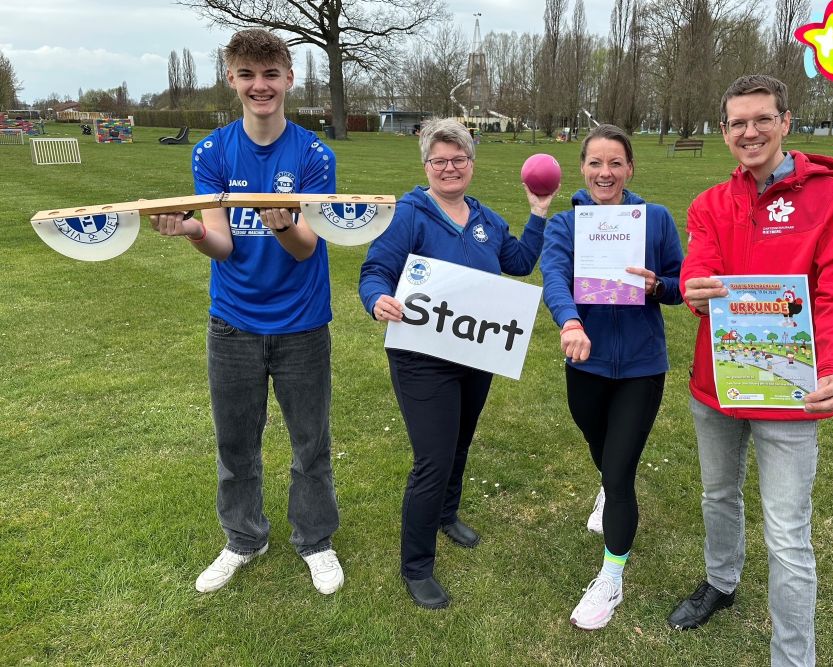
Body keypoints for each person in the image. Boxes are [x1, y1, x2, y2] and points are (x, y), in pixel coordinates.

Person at [669, 74, 833, 667]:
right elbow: (699, 268)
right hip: (716, 387)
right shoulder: (711, 202)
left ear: (787, 122)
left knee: (787, 537)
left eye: (762, 119)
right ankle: (721, 581)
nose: (750, 132)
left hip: (791, 394)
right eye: (738, 123)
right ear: (725, 131)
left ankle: (792, 657)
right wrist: (695, 289)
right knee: (717, 494)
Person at [149, 29, 344, 595]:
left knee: (311, 442)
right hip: (232, 320)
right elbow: (223, 243)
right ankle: (243, 538)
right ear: (231, 79)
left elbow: (307, 245)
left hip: (303, 322)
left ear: (288, 79)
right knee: (236, 442)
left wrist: (283, 223)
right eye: (248, 75)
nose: (261, 86)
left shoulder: (314, 154)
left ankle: (316, 539)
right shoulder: (211, 152)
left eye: (271, 74)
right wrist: (189, 229)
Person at [358, 118, 555, 609]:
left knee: (460, 443)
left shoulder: (485, 219)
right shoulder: (409, 215)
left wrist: (538, 212)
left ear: (472, 163)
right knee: (433, 458)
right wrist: (378, 298)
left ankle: (446, 516)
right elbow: (375, 269)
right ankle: (416, 566)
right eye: (439, 160)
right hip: (422, 359)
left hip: (475, 353)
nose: (450, 167)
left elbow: (520, 261)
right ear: (426, 165)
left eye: (459, 159)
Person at [540, 124, 684, 630]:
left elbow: (679, 284)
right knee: (600, 447)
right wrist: (571, 321)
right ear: (582, 168)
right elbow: (554, 277)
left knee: (620, 472)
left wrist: (658, 285)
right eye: (596, 163)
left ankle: (610, 578)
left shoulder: (657, 220)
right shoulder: (566, 224)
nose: (605, 172)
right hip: (587, 362)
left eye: (615, 163)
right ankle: (607, 482)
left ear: (630, 168)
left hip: (642, 366)